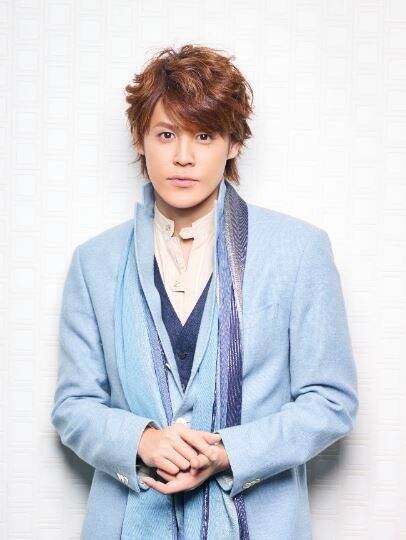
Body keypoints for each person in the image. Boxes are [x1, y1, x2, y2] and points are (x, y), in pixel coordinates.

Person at [51, 44, 359, 540]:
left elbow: (330, 400)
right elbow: (74, 404)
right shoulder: (95, 261)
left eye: (204, 135)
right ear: (140, 140)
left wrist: (228, 452)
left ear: (233, 143)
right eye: (166, 134)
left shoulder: (299, 250)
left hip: (259, 523)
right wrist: (141, 440)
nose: (183, 156)